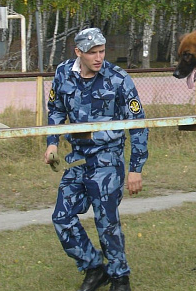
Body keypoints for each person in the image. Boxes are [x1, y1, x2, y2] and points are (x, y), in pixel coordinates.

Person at [44, 27, 148, 291]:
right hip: (77, 158)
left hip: (107, 159)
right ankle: (93, 268)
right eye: (92, 53)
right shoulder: (63, 73)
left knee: (106, 222)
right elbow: (55, 109)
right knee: (62, 217)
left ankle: (119, 277)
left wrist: (135, 168)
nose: (99, 57)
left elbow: (137, 124)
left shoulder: (118, 79)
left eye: (101, 51)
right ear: (78, 52)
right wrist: (52, 143)